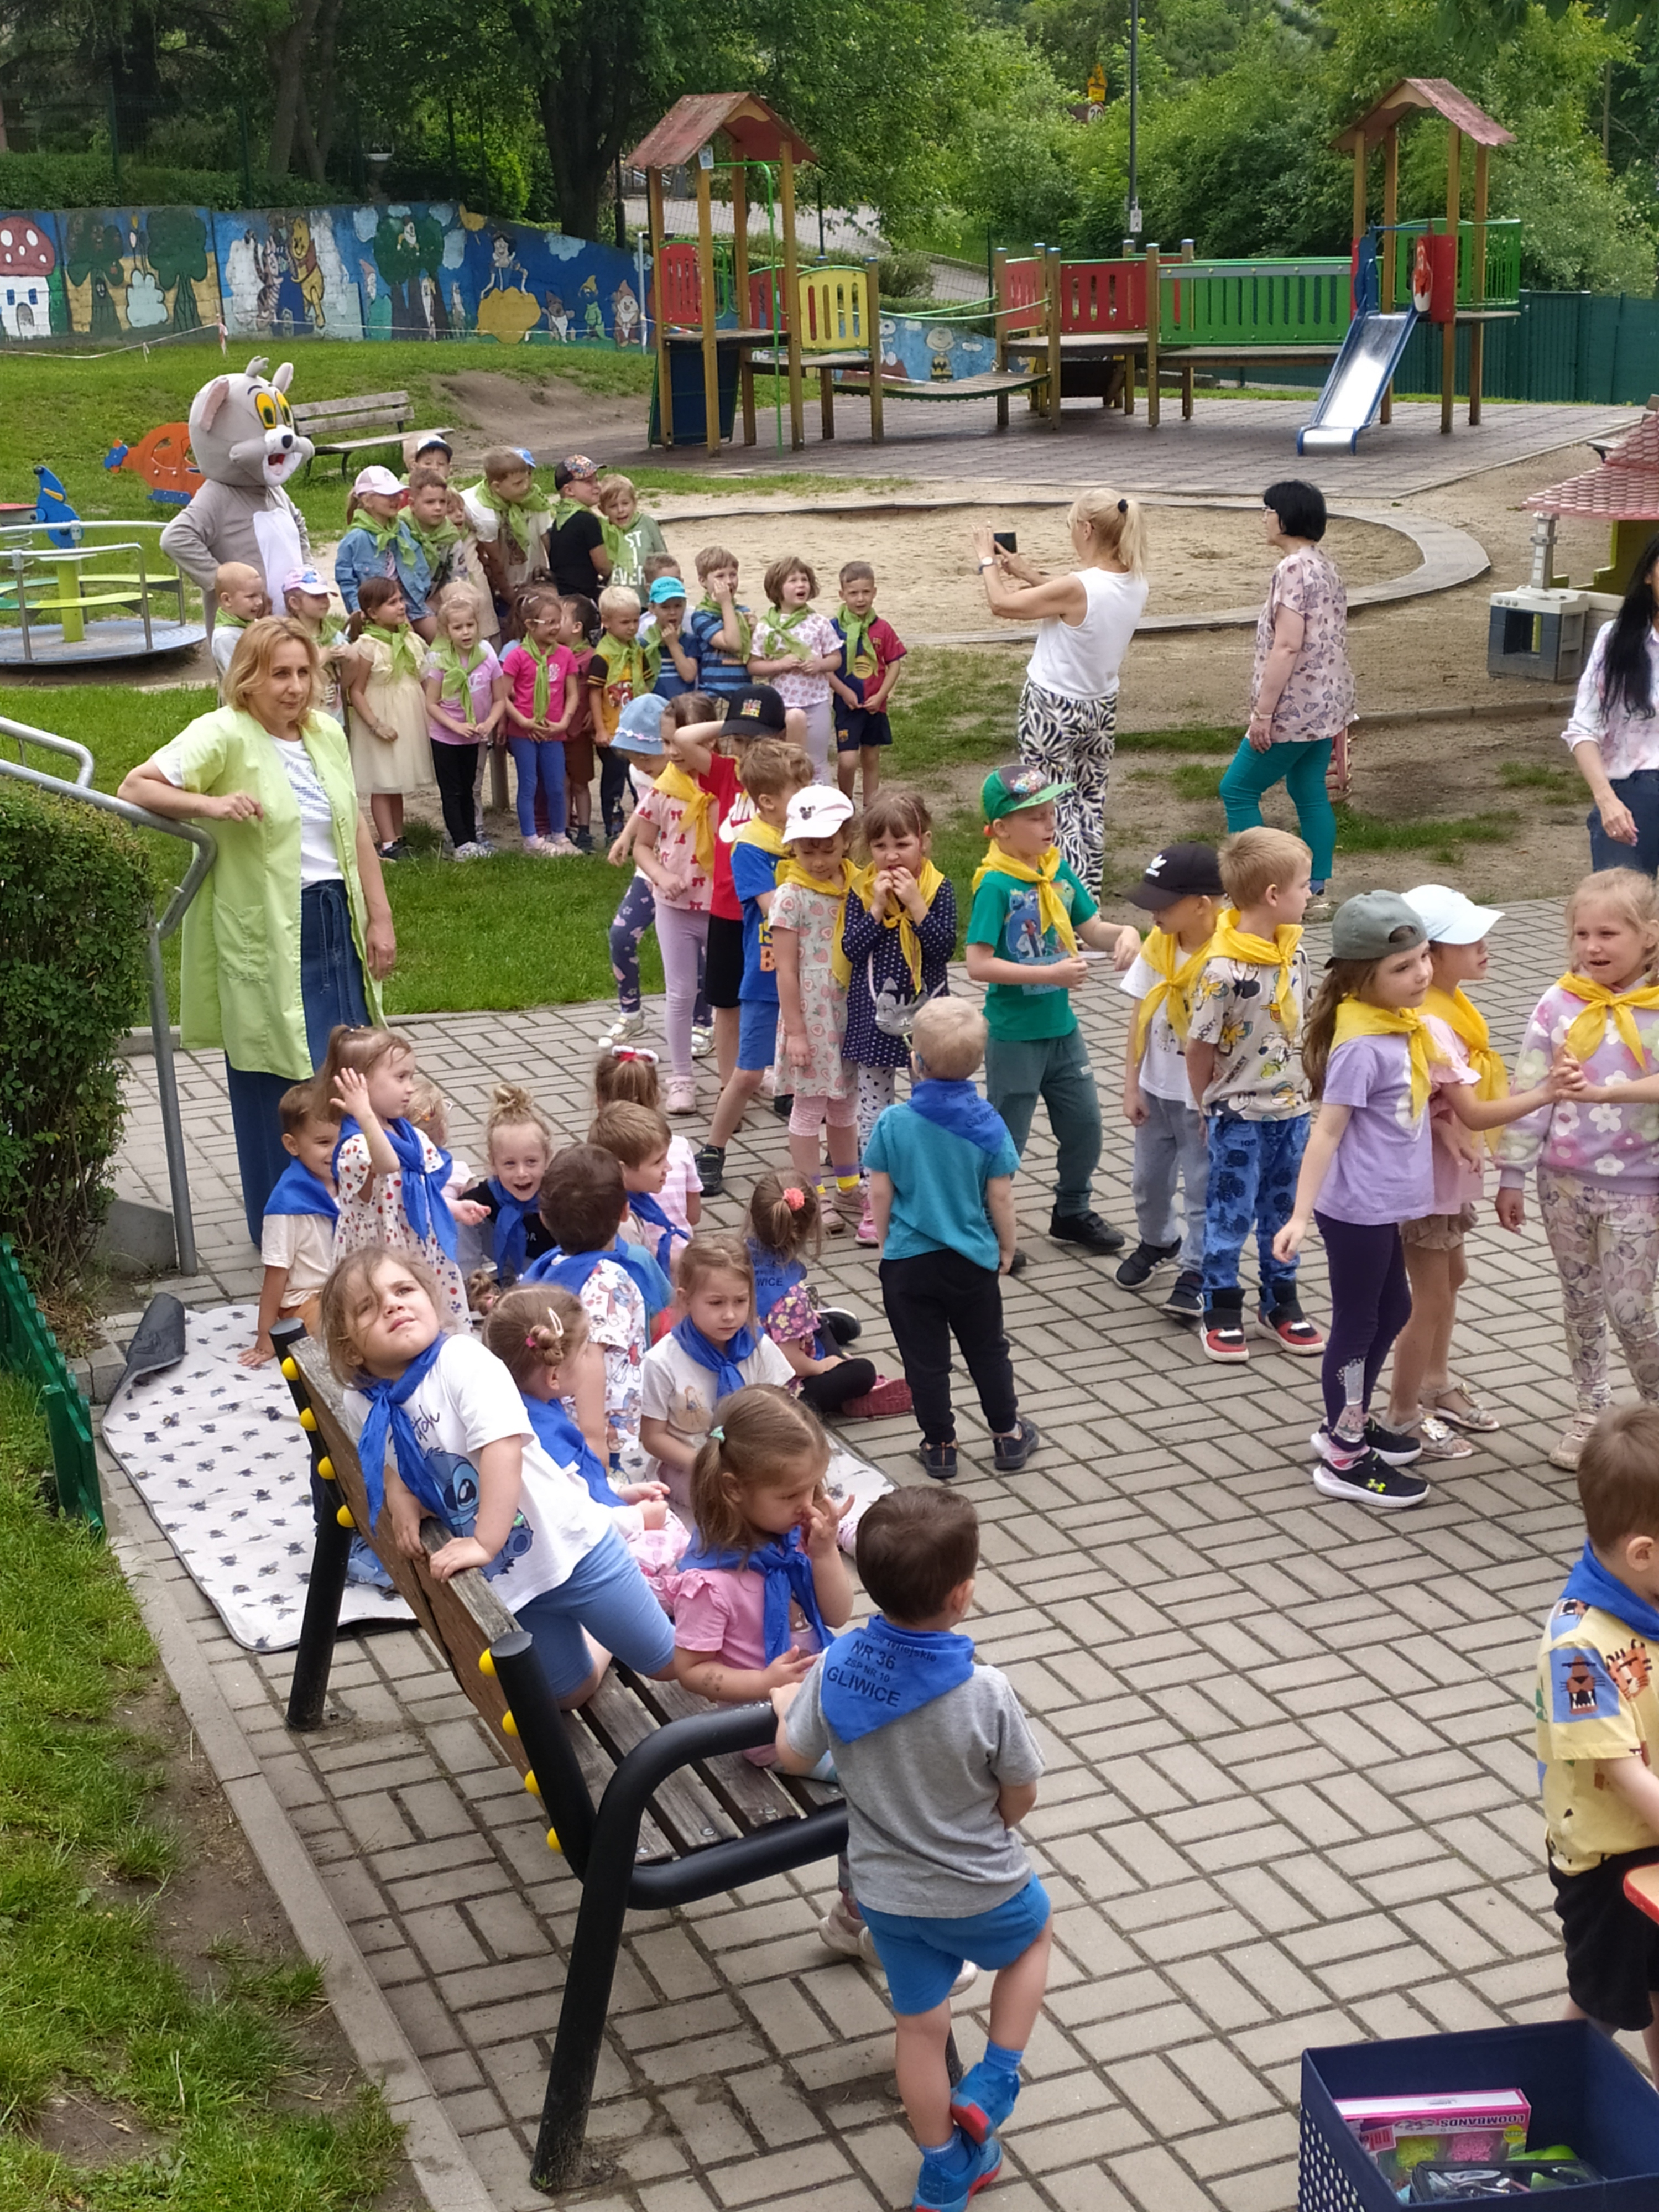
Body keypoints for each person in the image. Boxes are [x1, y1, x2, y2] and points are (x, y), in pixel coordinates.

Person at [773, 1486, 1051, 2212]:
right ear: (961, 1595)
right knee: (1034, 1938)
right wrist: (994, 1820)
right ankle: (994, 2080)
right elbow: (1021, 1792)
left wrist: (785, 1708)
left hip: (889, 1902)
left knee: (919, 2031)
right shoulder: (986, 1691)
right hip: (982, 1885)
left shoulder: (838, 1665)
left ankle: (944, 2171)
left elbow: (793, 1755)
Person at [117, 617, 395, 1245]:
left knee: (348, 1069)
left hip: (333, 921)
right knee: (278, 1078)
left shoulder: (325, 733)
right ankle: (284, 1231)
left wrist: (379, 917)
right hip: (270, 931)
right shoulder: (223, 733)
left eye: (303, 673)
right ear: (248, 677)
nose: (294, 688)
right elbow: (136, 785)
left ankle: (353, 1215)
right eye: (279, 674)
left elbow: (355, 827)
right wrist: (211, 806)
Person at [1276, 892, 1556, 1509]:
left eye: (1425, 958)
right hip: (1356, 1210)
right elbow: (1326, 1132)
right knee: (1358, 1323)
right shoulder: (1361, 1045)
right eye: (1403, 967)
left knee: (1395, 1308)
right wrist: (1298, 1215)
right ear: (1361, 978)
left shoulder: (1405, 1027)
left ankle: (1348, 1421)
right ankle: (1344, 1453)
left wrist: (1473, 1120)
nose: (1422, 974)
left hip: (1387, 1206)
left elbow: (1446, 1105)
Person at [323, 1245, 678, 1709]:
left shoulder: (461, 1361)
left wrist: (485, 1543)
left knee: (667, 1663)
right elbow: (393, 1456)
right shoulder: (363, 1402)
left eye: (404, 1290)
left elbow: (502, 1448)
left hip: (572, 1548)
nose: (393, 1305)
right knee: (567, 1692)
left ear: (430, 1300)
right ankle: (600, 1636)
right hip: (517, 1580)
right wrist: (401, 1493)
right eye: (369, 1307)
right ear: (350, 1346)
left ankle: (755, 1672)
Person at [1497, 868, 1659, 1472]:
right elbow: (1531, 1088)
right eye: (1581, 933)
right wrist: (1513, 1173)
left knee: (1631, 1309)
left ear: (1649, 935)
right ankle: (1591, 1409)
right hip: (1562, 1182)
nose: (1592, 946)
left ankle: (1654, 1411)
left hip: (1638, 1185)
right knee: (1580, 1299)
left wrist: (1602, 1094)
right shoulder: (1558, 1003)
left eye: (1608, 934)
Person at [965, 764, 1139, 1263]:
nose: (1049, 824)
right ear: (1001, 829)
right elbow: (977, 964)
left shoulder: (1056, 872)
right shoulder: (996, 885)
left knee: (1086, 1126)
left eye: (1050, 813)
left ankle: (1072, 1210)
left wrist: (1127, 933)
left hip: (1063, 1030)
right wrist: (1050, 973)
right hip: (1015, 1035)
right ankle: (986, 1225)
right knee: (1008, 1138)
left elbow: (1093, 929)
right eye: (1035, 817)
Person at [1535, 1404, 1659, 2079]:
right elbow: (1627, 1775)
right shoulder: (1579, 1648)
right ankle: (1538, 2102)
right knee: (1601, 2005)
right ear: (1644, 1552)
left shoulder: (1649, 1593)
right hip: (1611, 1860)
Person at [866, 998, 1031, 1481]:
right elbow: (1001, 1196)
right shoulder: (988, 1124)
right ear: (978, 1063)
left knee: (925, 1360)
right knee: (987, 1351)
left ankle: (939, 1444)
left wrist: (885, 1240)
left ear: (916, 1061)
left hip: (908, 1263)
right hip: (971, 1261)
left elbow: (880, 1190)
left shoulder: (893, 1122)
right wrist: (1006, 1247)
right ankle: (1007, 1434)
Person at [1385, 884, 1516, 1457]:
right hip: (1426, 1183)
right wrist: (1548, 1095)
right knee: (1430, 1298)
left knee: (1452, 1277)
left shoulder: (1451, 1004)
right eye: (1469, 939)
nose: (1484, 946)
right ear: (1429, 957)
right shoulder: (1428, 1020)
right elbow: (1426, 1103)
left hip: (1448, 1176)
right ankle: (1402, 1413)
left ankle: (1436, 1383)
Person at [969, 491, 1149, 900]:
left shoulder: (1080, 586)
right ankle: (1089, 899)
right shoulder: (1135, 580)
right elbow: (1076, 603)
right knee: (1089, 804)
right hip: (1100, 705)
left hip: (1052, 709)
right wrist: (1028, 574)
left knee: (1051, 808)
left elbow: (1002, 604)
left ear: (1086, 529)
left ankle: (1065, 899)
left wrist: (986, 560)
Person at [1184, 826, 1320, 1363]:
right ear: (1273, 895)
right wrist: (1205, 1105)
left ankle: (1279, 1300)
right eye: (1305, 886)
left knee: (1283, 1209)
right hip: (1239, 1115)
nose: (1311, 894)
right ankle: (1220, 1304)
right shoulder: (1221, 970)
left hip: (1293, 1111)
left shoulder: (1294, 953)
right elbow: (1199, 1047)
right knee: (1230, 1211)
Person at [482, 1285, 686, 1606]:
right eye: (584, 1354)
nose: (590, 1360)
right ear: (553, 1376)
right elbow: (574, 1520)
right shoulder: (541, 1440)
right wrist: (639, 1518)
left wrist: (621, 1493)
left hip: (596, 1528)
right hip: (587, 1556)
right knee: (682, 1556)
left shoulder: (531, 1406)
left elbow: (579, 1485)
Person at [1218, 479, 1354, 920]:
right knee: (1307, 789)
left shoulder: (1292, 569)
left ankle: (1258, 889)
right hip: (1326, 705)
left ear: (1286, 517)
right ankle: (1314, 889)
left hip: (1293, 709)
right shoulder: (1325, 565)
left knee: (1237, 789)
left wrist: (1263, 712)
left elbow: (1288, 644)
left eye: (1268, 509)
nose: (1264, 517)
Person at [672, 1385, 852, 1708]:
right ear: (734, 1489)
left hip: (817, 1703)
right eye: (790, 1495)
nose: (807, 1505)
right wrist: (764, 1683)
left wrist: (825, 1553)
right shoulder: (709, 1584)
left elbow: (838, 1615)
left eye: (813, 1488)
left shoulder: (796, 1540)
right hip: (761, 1720)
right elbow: (691, 1670)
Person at [698, 734, 815, 1197]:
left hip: (815, 975)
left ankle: (838, 1149)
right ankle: (713, 1148)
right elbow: (775, 909)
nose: (808, 797)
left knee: (822, 1066)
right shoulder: (750, 847)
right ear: (767, 802)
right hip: (767, 973)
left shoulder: (810, 838)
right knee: (748, 1073)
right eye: (799, 790)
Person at [1116, 842, 1223, 1321]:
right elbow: (1139, 1017)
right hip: (1156, 1091)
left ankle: (1198, 1269)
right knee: (1147, 1181)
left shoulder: (1228, 956)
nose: (1153, 913)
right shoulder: (1159, 946)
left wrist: (1214, 1103)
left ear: (1201, 904)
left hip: (1202, 1101)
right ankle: (1159, 1240)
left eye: (1163, 904)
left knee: (1202, 1188)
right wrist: (1131, 1084)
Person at [843, 790, 955, 1245]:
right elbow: (851, 949)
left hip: (928, 1022)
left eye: (902, 844)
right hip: (875, 1018)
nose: (891, 856)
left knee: (932, 1103)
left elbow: (943, 948)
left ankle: (931, 1194)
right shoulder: (861, 890)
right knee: (874, 1110)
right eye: (880, 846)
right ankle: (875, 1197)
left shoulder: (938, 888)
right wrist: (876, 909)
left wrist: (916, 906)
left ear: (924, 842)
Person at [321, 1023, 478, 1326]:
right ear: (362, 1084)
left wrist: (453, 1208)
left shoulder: (409, 1135)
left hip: (417, 1252)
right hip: (378, 1264)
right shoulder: (355, 1146)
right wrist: (364, 1113)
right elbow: (388, 1163)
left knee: (429, 1320)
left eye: (411, 1076)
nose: (410, 1087)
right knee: (384, 1327)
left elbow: (418, 1193)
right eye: (400, 1077)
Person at [637, 1234, 796, 1506]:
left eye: (740, 1301)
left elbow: (782, 1413)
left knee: (799, 1481)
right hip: (689, 1464)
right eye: (716, 1303)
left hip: (754, 1459)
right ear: (685, 1299)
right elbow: (653, 1437)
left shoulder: (759, 1346)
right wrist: (707, 1465)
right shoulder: (662, 1361)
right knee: (729, 1501)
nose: (730, 1315)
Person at [632, 693, 735, 1115]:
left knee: (730, 998)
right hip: (675, 909)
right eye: (665, 742)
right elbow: (642, 846)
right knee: (680, 993)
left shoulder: (729, 781)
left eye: (679, 741)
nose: (672, 751)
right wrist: (661, 876)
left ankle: (739, 1076)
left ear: (709, 740)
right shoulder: (663, 789)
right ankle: (681, 1079)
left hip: (723, 909)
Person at [771, 784, 863, 1229]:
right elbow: (785, 969)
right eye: (808, 851)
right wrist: (796, 1032)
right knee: (810, 1108)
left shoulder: (856, 884)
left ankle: (849, 1185)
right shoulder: (792, 895)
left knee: (845, 1104)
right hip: (811, 1017)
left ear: (847, 839)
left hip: (848, 1010)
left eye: (828, 849)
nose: (819, 861)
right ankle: (810, 1194)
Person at [525, 1146, 652, 1467]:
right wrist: (594, 1438)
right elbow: (591, 1356)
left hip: (551, 1413)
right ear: (625, 1212)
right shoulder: (608, 1282)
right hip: (592, 1432)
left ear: (544, 1219)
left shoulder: (546, 1268)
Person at [745, 1172, 906, 1416]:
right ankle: (854, 1393)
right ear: (810, 1228)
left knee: (818, 1323)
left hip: (747, 1357)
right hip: (778, 1389)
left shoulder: (741, 1255)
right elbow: (789, 1360)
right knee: (862, 1371)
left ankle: (825, 1333)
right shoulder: (790, 1297)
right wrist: (822, 1366)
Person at [1563, 533, 1659, 877]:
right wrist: (1606, 801)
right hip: (1634, 793)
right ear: (1648, 575)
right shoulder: (1616, 640)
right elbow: (1583, 728)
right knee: (1620, 905)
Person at [241, 1079, 339, 1365]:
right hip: (306, 1300)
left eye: (343, 1140)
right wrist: (266, 1334)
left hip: (347, 1287)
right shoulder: (286, 1207)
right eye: (324, 1143)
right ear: (292, 1145)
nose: (336, 1151)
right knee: (339, 1329)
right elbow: (276, 1274)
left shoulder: (351, 1183)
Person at [345, 573, 430, 860]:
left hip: (407, 714)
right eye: (392, 603)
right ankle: (387, 842)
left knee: (397, 779)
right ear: (372, 613)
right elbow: (356, 691)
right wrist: (375, 724)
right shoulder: (367, 646)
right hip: (382, 714)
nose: (401, 606)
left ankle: (398, 835)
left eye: (401, 600)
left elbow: (423, 679)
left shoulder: (410, 640)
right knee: (383, 780)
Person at [421, 582, 505, 860]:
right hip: (446, 737)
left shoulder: (487, 656)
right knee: (452, 791)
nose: (466, 632)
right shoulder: (441, 662)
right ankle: (459, 843)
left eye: (470, 625)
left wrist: (490, 723)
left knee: (469, 789)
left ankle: (471, 839)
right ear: (447, 632)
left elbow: (500, 698)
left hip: (475, 736)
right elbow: (431, 703)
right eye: (458, 628)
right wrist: (455, 726)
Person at [749, 555, 845, 784]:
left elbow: (836, 659)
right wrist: (780, 665)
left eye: (804, 580)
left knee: (817, 760)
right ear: (777, 589)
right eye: (793, 581)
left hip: (816, 702)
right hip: (781, 704)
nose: (801, 585)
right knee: (784, 760)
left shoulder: (819, 623)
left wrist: (819, 665)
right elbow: (754, 665)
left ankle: (821, 799)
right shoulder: (766, 628)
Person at [458, 1083, 560, 1290]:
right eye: (510, 1164)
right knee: (462, 1217)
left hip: (555, 1280)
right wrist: (474, 1288)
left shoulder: (561, 1199)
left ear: (547, 1158)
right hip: (505, 1276)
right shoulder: (483, 1200)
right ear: (493, 1163)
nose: (521, 1173)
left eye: (531, 1162)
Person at [594, 1044, 704, 1234]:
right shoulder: (680, 1146)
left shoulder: (594, 1161)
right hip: (682, 1249)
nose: (666, 1167)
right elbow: (693, 1216)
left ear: (598, 1101)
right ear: (657, 1096)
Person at [502, 589, 579, 856]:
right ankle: (531, 838)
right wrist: (524, 722)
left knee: (557, 785)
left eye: (559, 621)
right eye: (550, 623)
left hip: (554, 731)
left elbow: (573, 694)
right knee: (529, 785)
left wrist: (563, 722)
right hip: (523, 733)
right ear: (530, 625)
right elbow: (502, 696)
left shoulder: (565, 655)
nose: (556, 627)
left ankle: (559, 835)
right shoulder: (517, 656)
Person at [588, 1099, 696, 1274]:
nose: (668, 1167)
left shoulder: (634, 1199)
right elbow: (638, 1273)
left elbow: (648, 1253)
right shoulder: (623, 1225)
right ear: (621, 1170)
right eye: (658, 1162)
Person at [590, 585, 660, 841]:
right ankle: (614, 828)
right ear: (606, 622)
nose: (632, 628)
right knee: (615, 780)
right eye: (625, 622)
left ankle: (645, 828)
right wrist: (600, 729)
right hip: (613, 730)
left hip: (638, 728)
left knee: (641, 778)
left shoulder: (637, 650)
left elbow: (647, 683)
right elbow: (594, 693)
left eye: (635, 621)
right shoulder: (603, 656)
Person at [834, 561, 907, 806]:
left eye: (866, 592)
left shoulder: (882, 628)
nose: (860, 599)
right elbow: (826, 668)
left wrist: (882, 695)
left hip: (875, 706)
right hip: (847, 705)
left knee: (872, 758)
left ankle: (871, 808)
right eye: (853, 593)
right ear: (842, 595)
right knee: (847, 761)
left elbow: (894, 663)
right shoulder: (833, 629)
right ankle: (845, 806)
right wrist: (843, 692)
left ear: (875, 592)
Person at [334, 465, 434, 637]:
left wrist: (419, 595)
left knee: (440, 637)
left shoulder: (400, 529)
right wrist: (359, 610)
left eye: (397, 494)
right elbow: (347, 581)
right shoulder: (356, 539)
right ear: (367, 501)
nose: (396, 499)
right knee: (408, 639)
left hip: (410, 603)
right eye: (388, 495)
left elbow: (419, 563)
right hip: (376, 612)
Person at [461, 448, 554, 632]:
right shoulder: (485, 515)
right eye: (518, 483)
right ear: (496, 487)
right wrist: (507, 593)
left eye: (527, 479)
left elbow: (548, 540)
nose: (526, 486)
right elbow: (495, 559)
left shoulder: (533, 498)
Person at [283, 565, 357, 728]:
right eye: (316, 597)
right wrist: (322, 658)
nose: (325, 601)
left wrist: (351, 659)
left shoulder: (334, 636)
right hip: (302, 719)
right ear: (294, 603)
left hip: (335, 718)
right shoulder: (287, 638)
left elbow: (345, 683)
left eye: (325, 595)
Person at [558, 593, 602, 851]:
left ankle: (584, 829)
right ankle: (564, 829)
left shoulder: (591, 658)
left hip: (580, 732)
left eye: (560, 618)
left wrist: (594, 715)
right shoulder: (552, 655)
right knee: (562, 782)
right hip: (557, 730)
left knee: (580, 782)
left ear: (577, 627)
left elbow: (601, 689)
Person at [687, 545, 753, 705]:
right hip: (715, 694)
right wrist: (726, 603)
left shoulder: (743, 612)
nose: (729, 582)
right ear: (703, 581)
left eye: (733, 575)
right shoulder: (702, 616)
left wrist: (755, 629)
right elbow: (732, 643)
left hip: (744, 692)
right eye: (720, 576)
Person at [546, 454, 613, 597]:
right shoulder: (587, 520)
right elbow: (603, 567)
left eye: (597, 480)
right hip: (583, 595)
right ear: (569, 490)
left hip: (562, 592)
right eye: (588, 482)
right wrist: (615, 574)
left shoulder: (561, 518)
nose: (597, 486)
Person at [402, 466, 468, 602]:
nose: (438, 508)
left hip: (437, 601)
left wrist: (436, 603)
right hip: (401, 601)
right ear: (412, 505)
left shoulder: (450, 535)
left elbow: (459, 577)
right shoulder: (400, 530)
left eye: (442, 502)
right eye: (430, 502)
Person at [596, 472, 668, 594]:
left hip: (647, 595)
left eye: (625, 503)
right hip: (617, 598)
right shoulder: (603, 530)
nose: (620, 510)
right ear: (603, 510)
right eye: (613, 506)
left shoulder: (647, 523)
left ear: (635, 503)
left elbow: (663, 558)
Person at [211, 561, 266, 687]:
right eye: (251, 596)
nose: (259, 602)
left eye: (260, 595)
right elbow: (239, 678)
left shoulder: (254, 624)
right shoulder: (225, 637)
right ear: (227, 600)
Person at [649, 575, 703, 701]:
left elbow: (689, 676)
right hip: (655, 706)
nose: (673, 612)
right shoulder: (645, 642)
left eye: (678, 606)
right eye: (665, 607)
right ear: (652, 609)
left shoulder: (690, 641)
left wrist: (673, 645)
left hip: (684, 707)